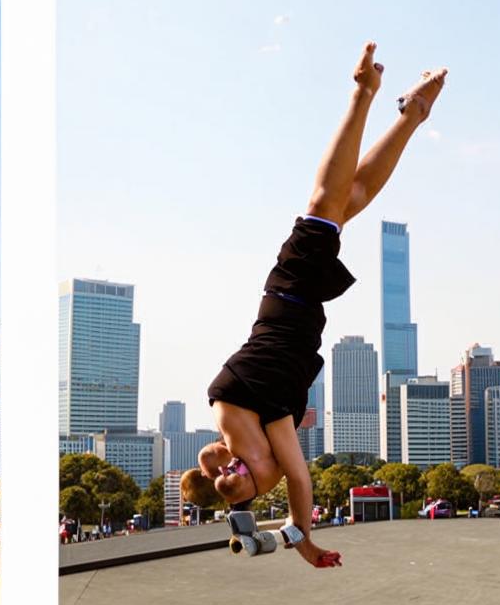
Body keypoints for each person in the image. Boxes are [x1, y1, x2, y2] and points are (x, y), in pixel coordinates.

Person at [180, 42, 446, 568]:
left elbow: (216, 462)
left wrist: (274, 523)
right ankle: (380, 101)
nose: (225, 471)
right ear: (261, 479)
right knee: (334, 199)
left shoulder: (250, 431)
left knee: (339, 199)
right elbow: (297, 480)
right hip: (294, 303)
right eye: (237, 482)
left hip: (290, 303)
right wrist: (304, 543)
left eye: (222, 479)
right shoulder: (272, 424)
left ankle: (393, 106)